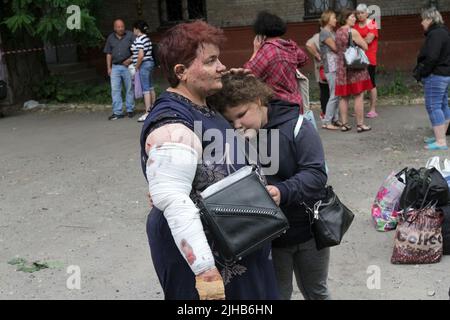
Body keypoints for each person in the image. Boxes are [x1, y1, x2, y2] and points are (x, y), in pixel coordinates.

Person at [140, 20, 280, 300]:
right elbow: (174, 201)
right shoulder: (171, 122)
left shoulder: (204, 103)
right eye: (211, 61)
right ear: (181, 72)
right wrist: (205, 270)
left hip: (240, 244)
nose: (221, 66)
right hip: (209, 258)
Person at [208, 73, 330, 300]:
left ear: (258, 101)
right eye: (231, 121)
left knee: (316, 292)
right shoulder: (235, 138)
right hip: (267, 238)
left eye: (241, 115)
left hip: (308, 231)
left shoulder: (298, 127)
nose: (237, 124)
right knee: (276, 295)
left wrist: (282, 191)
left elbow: (316, 175)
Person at [244, 11, 309, 111]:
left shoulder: (267, 50)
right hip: (295, 103)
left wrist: (255, 51)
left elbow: (248, 73)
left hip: (276, 105)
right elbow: (304, 60)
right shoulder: (291, 46)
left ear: (261, 32)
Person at [414, 7, 450, 151]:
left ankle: (441, 141)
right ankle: (439, 136)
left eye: (423, 19)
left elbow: (432, 57)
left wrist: (423, 72)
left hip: (436, 75)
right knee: (442, 105)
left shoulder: (435, 34)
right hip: (445, 73)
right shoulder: (444, 32)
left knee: (433, 106)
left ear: (430, 19)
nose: (422, 22)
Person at [335, 9, 373, 133]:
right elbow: (365, 46)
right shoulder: (353, 31)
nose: (354, 19)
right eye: (352, 17)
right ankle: (360, 125)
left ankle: (344, 124)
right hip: (354, 67)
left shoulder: (338, 32)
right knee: (358, 95)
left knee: (343, 97)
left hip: (342, 67)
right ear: (345, 18)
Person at [104, 19, 135, 120]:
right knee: (115, 90)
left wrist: (130, 59)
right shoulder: (110, 38)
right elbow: (108, 53)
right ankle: (118, 112)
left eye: (122, 26)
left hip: (127, 66)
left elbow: (138, 49)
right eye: (118, 27)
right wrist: (109, 67)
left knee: (129, 88)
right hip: (115, 67)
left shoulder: (130, 35)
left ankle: (130, 109)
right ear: (114, 28)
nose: (121, 28)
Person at [354, 3, 379, 118]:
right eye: (358, 13)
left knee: (371, 84)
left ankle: (372, 109)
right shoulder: (355, 25)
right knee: (359, 84)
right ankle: (359, 109)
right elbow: (351, 39)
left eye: (362, 13)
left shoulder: (372, 24)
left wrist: (357, 41)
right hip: (357, 59)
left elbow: (368, 40)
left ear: (367, 13)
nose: (360, 15)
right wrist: (359, 41)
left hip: (369, 59)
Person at [319, 10, 342, 130]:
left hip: (336, 65)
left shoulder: (331, 32)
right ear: (327, 19)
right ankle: (327, 121)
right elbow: (335, 48)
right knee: (334, 94)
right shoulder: (324, 33)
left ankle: (335, 119)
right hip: (331, 66)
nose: (336, 20)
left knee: (337, 94)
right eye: (334, 18)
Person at [130, 20, 156, 123]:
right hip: (150, 64)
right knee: (150, 87)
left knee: (145, 89)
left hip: (144, 65)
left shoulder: (140, 39)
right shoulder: (147, 38)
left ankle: (148, 112)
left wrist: (137, 66)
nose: (133, 31)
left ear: (137, 29)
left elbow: (141, 55)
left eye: (134, 29)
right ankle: (154, 109)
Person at [306, 28, 330, 120]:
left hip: (327, 68)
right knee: (325, 91)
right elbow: (308, 44)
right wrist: (317, 55)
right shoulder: (318, 36)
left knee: (328, 92)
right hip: (323, 69)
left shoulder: (328, 35)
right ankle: (324, 113)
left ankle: (328, 113)